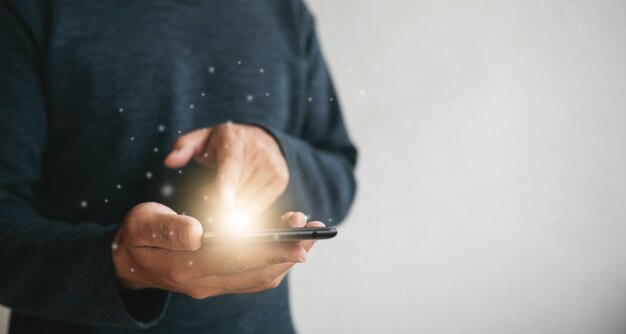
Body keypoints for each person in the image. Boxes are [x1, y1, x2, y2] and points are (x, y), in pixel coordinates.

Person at [0, 0, 357, 333]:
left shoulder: (283, 10)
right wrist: (120, 263)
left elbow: (339, 170)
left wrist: (281, 159)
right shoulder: (28, 11)